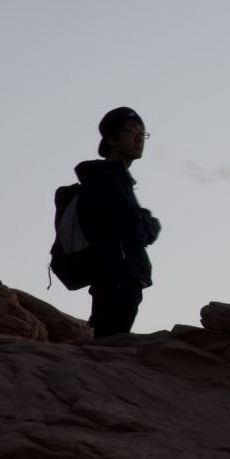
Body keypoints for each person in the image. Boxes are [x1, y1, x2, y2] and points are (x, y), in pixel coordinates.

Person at [75, 107, 161, 338]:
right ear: (112, 138)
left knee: (108, 341)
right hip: (117, 276)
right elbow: (132, 226)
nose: (139, 138)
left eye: (142, 133)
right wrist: (149, 222)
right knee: (109, 343)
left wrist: (143, 220)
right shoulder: (105, 177)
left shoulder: (116, 178)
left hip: (119, 276)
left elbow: (134, 223)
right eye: (131, 131)